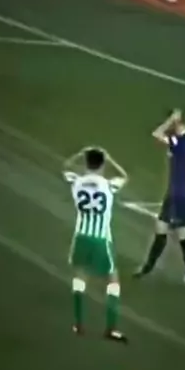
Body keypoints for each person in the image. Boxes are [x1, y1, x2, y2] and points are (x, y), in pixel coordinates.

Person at [63, 146, 128, 343]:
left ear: (86, 163)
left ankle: (78, 323)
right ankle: (111, 327)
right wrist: (110, 158)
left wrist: (79, 153)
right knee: (113, 280)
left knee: (80, 277)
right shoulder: (108, 185)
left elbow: (65, 168)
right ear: (102, 165)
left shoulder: (76, 181)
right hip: (101, 238)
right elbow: (124, 177)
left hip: (81, 236)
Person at [134, 109, 185, 283]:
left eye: (177, 124)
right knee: (164, 229)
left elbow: (156, 133)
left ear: (182, 125)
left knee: (178, 233)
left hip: (178, 195)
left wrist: (170, 119)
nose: (174, 126)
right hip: (180, 193)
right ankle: (149, 268)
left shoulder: (179, 141)